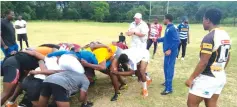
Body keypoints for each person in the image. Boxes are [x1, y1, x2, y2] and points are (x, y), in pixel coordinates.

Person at [185, 8, 231, 107]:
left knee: (191, 103)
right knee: (211, 104)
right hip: (220, 76)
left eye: (203, 20)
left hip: (207, 77)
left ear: (208, 20)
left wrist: (191, 78)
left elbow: (203, 62)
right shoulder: (226, 35)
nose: (203, 22)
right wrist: (219, 70)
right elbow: (228, 57)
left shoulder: (209, 37)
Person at [157, 14, 180, 95]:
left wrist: (170, 49)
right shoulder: (169, 27)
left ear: (167, 19)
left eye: (164, 19)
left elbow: (177, 40)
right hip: (167, 53)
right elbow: (166, 38)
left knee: (169, 69)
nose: (163, 20)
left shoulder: (172, 28)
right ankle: (167, 83)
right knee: (166, 67)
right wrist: (157, 39)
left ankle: (169, 89)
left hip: (171, 53)